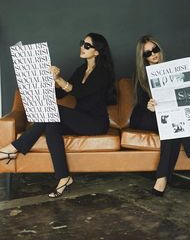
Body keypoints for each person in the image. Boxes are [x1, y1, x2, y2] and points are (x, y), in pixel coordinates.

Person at [0, 33, 116, 198]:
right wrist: (41, 83)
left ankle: (13, 148)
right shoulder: (81, 69)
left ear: (97, 51)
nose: (83, 47)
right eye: (83, 43)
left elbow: (79, 91)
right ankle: (64, 177)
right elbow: (62, 93)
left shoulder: (103, 72)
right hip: (79, 118)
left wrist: (59, 78)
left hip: (95, 123)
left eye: (88, 46)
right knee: (51, 124)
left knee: (55, 112)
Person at [130, 35, 190, 196]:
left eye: (155, 49)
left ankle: (162, 178)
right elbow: (141, 103)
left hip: (166, 118)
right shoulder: (141, 75)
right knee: (171, 123)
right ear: (142, 57)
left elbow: (186, 97)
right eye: (148, 53)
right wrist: (149, 105)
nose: (153, 54)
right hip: (145, 116)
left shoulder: (172, 69)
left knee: (170, 129)